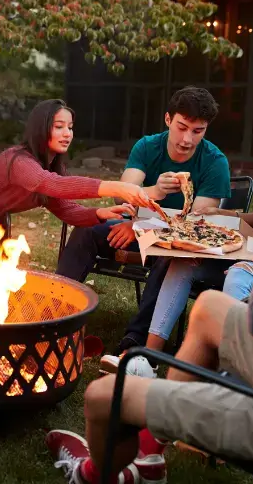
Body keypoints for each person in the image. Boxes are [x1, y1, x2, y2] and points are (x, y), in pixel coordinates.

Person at [45, 52, 253, 484]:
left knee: (103, 395)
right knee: (211, 309)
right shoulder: (149, 147)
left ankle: (92, 473)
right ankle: (148, 455)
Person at [104, 92, 253, 377]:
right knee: (181, 263)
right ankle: (148, 357)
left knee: (236, 274)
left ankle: (225, 370)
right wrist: (227, 217)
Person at [57, 87, 231, 353]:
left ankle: (135, 342)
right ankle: (55, 315)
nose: (187, 139)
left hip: (173, 244)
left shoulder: (215, 162)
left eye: (198, 131)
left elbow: (194, 226)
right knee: (87, 231)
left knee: (169, 254)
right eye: (182, 127)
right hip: (136, 228)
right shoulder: (148, 146)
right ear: (168, 120)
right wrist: (157, 192)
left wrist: (141, 229)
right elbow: (121, 196)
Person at [0, 99, 157, 229]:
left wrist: (100, 212)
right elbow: (52, 184)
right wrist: (116, 187)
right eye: (59, 127)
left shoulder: (50, 166)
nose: (68, 133)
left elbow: (66, 209)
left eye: (70, 127)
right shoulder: (19, 161)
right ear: (41, 128)